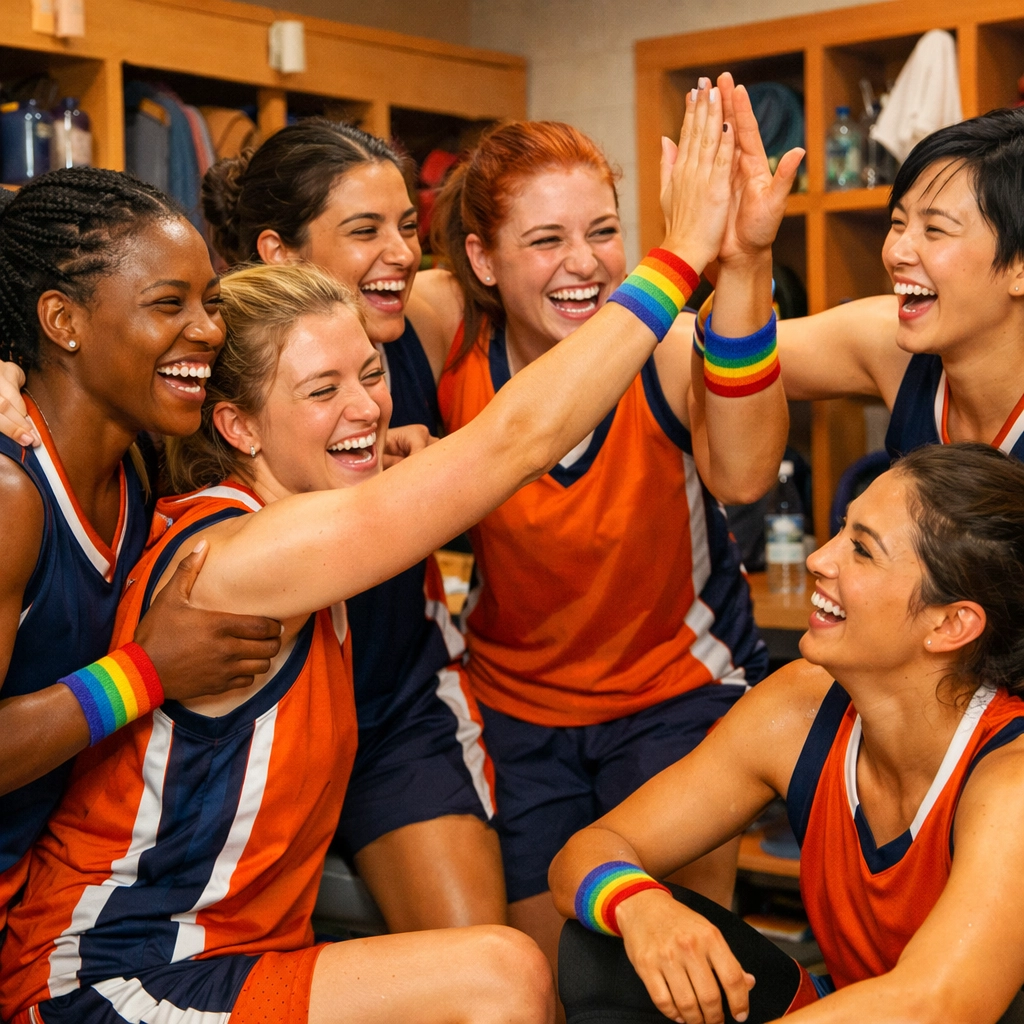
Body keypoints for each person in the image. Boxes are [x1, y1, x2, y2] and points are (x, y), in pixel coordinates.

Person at [0, 84, 759, 1023]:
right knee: (505, 974)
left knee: (511, 968)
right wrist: (679, 259)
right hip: (112, 975)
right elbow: (512, 439)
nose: (365, 409)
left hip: (218, 952)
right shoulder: (246, 554)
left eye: (370, 376)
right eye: (322, 390)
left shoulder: (248, 509)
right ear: (234, 423)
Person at [415, 74, 799, 970]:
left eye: (603, 231)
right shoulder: (446, 334)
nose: (582, 263)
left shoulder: (660, 348)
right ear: (482, 261)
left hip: (673, 699)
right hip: (517, 710)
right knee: (552, 980)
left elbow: (743, 476)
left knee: (676, 975)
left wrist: (741, 257)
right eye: (544, 240)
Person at [550, 442, 1024, 1024]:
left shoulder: (1010, 779)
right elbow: (585, 852)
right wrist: (641, 905)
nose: (818, 559)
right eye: (841, 530)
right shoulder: (799, 706)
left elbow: (936, 1003)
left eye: (861, 550)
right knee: (600, 949)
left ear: (950, 624)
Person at [199, 121, 504, 931]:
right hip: (254, 726)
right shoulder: (202, 368)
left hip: (392, 708)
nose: (402, 252)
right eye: (364, 230)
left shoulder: (415, 323)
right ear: (279, 252)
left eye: (407, 225)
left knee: (486, 963)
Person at [0, 170, 286, 934]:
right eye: (169, 304)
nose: (209, 330)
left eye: (209, 302)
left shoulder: (132, 464)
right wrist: (148, 672)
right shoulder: (10, 491)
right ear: (63, 320)